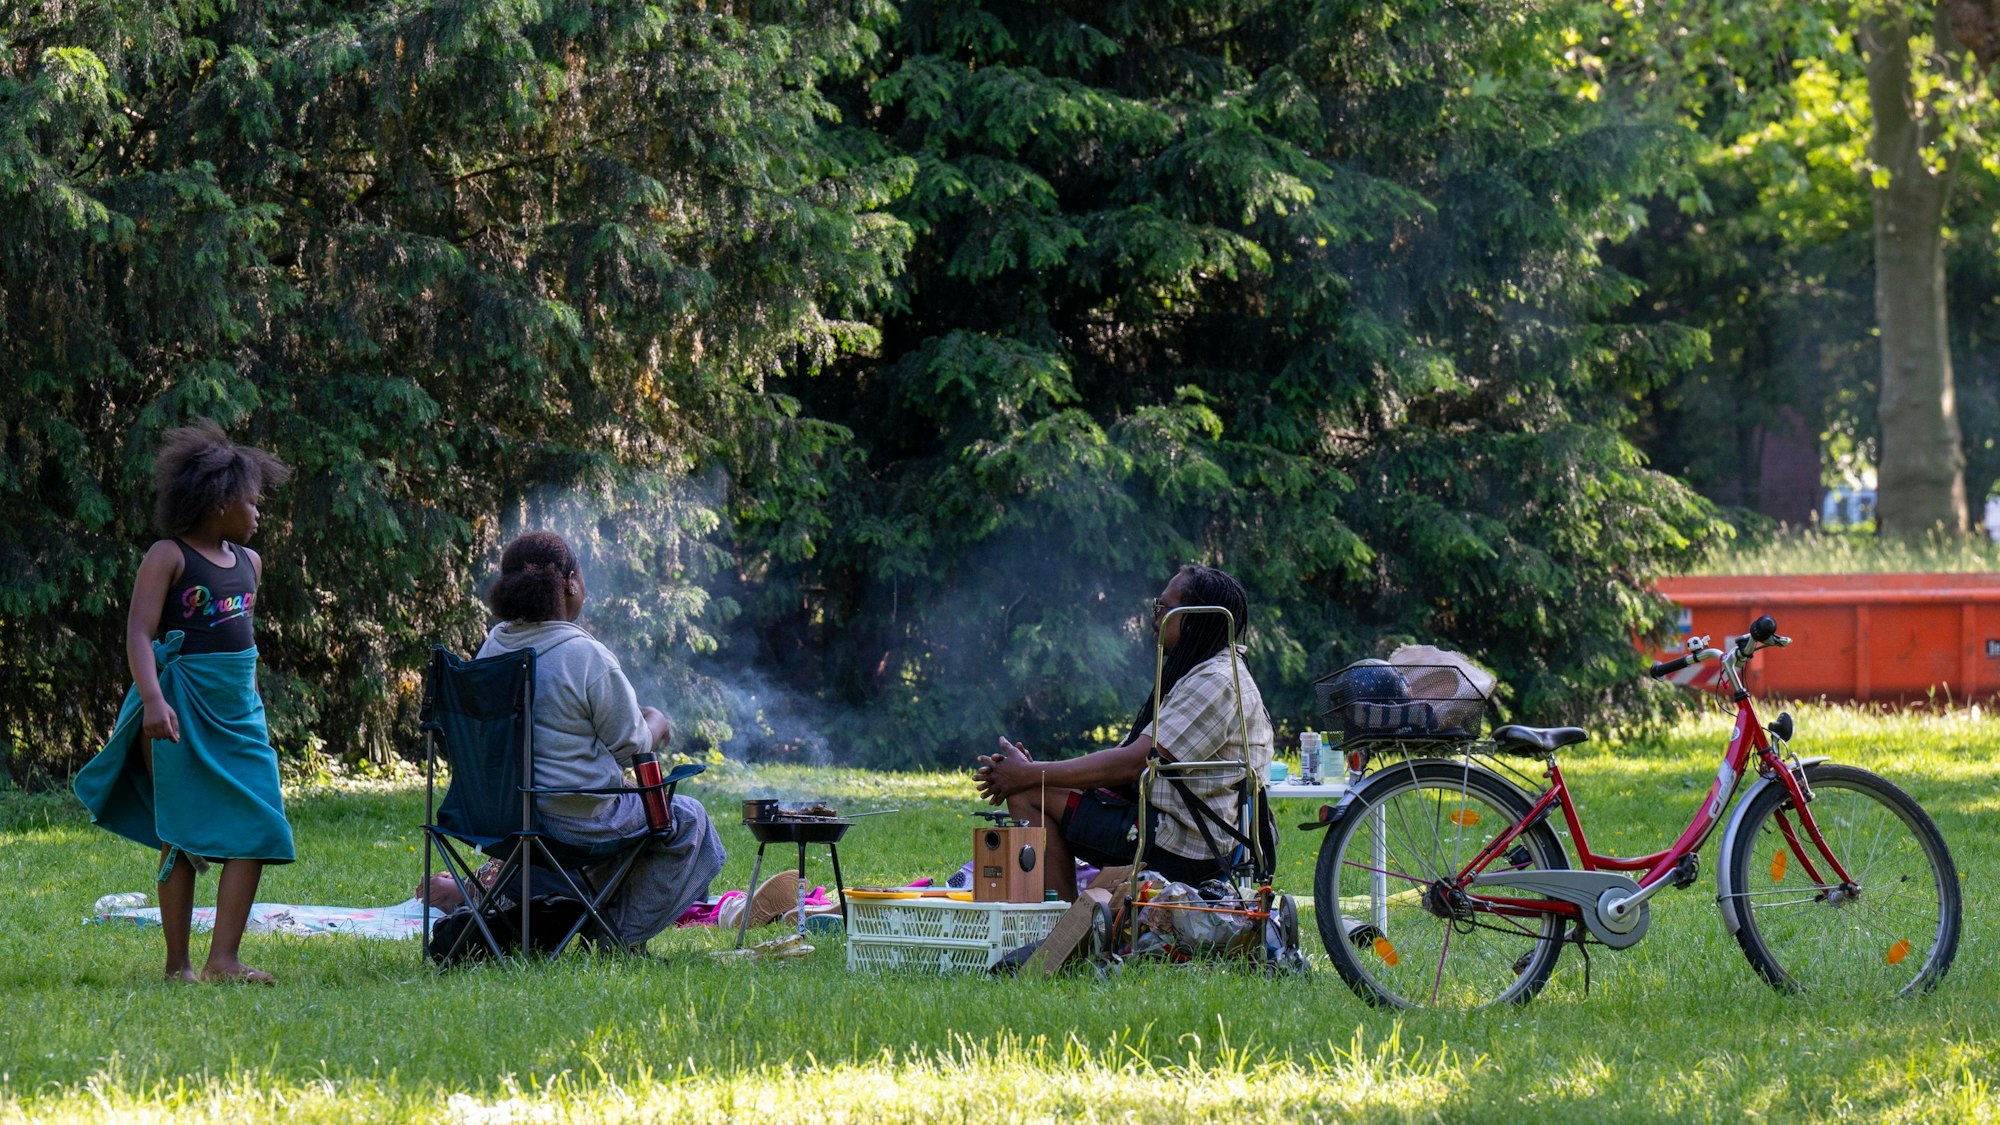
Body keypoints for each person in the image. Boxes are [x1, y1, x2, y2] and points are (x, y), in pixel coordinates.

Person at [73, 419, 296, 984]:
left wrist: (246, 696)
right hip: (178, 707)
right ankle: (179, 966)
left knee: (261, 825)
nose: (257, 514)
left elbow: (239, 641)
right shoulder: (167, 556)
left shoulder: (251, 564)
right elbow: (140, 635)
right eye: (251, 503)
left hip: (238, 711)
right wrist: (152, 700)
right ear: (219, 502)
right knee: (181, 831)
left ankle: (224, 960)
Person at [473, 531, 725, 948]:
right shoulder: (584, 655)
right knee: (689, 818)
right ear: (570, 582)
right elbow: (634, 747)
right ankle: (615, 937)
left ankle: (594, 918)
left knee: (636, 813)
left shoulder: (494, 645)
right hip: (574, 821)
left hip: (501, 817)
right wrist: (656, 720)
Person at [975, 564, 1275, 901]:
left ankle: (1062, 931)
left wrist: (1031, 775)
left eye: (1163, 608)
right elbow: (1125, 767)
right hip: (1172, 825)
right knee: (1034, 786)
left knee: (1028, 793)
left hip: (1186, 846)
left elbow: (1134, 763)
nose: (1155, 617)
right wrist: (1036, 772)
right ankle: (1070, 923)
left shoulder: (1215, 682)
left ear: (1194, 617)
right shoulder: (1208, 670)